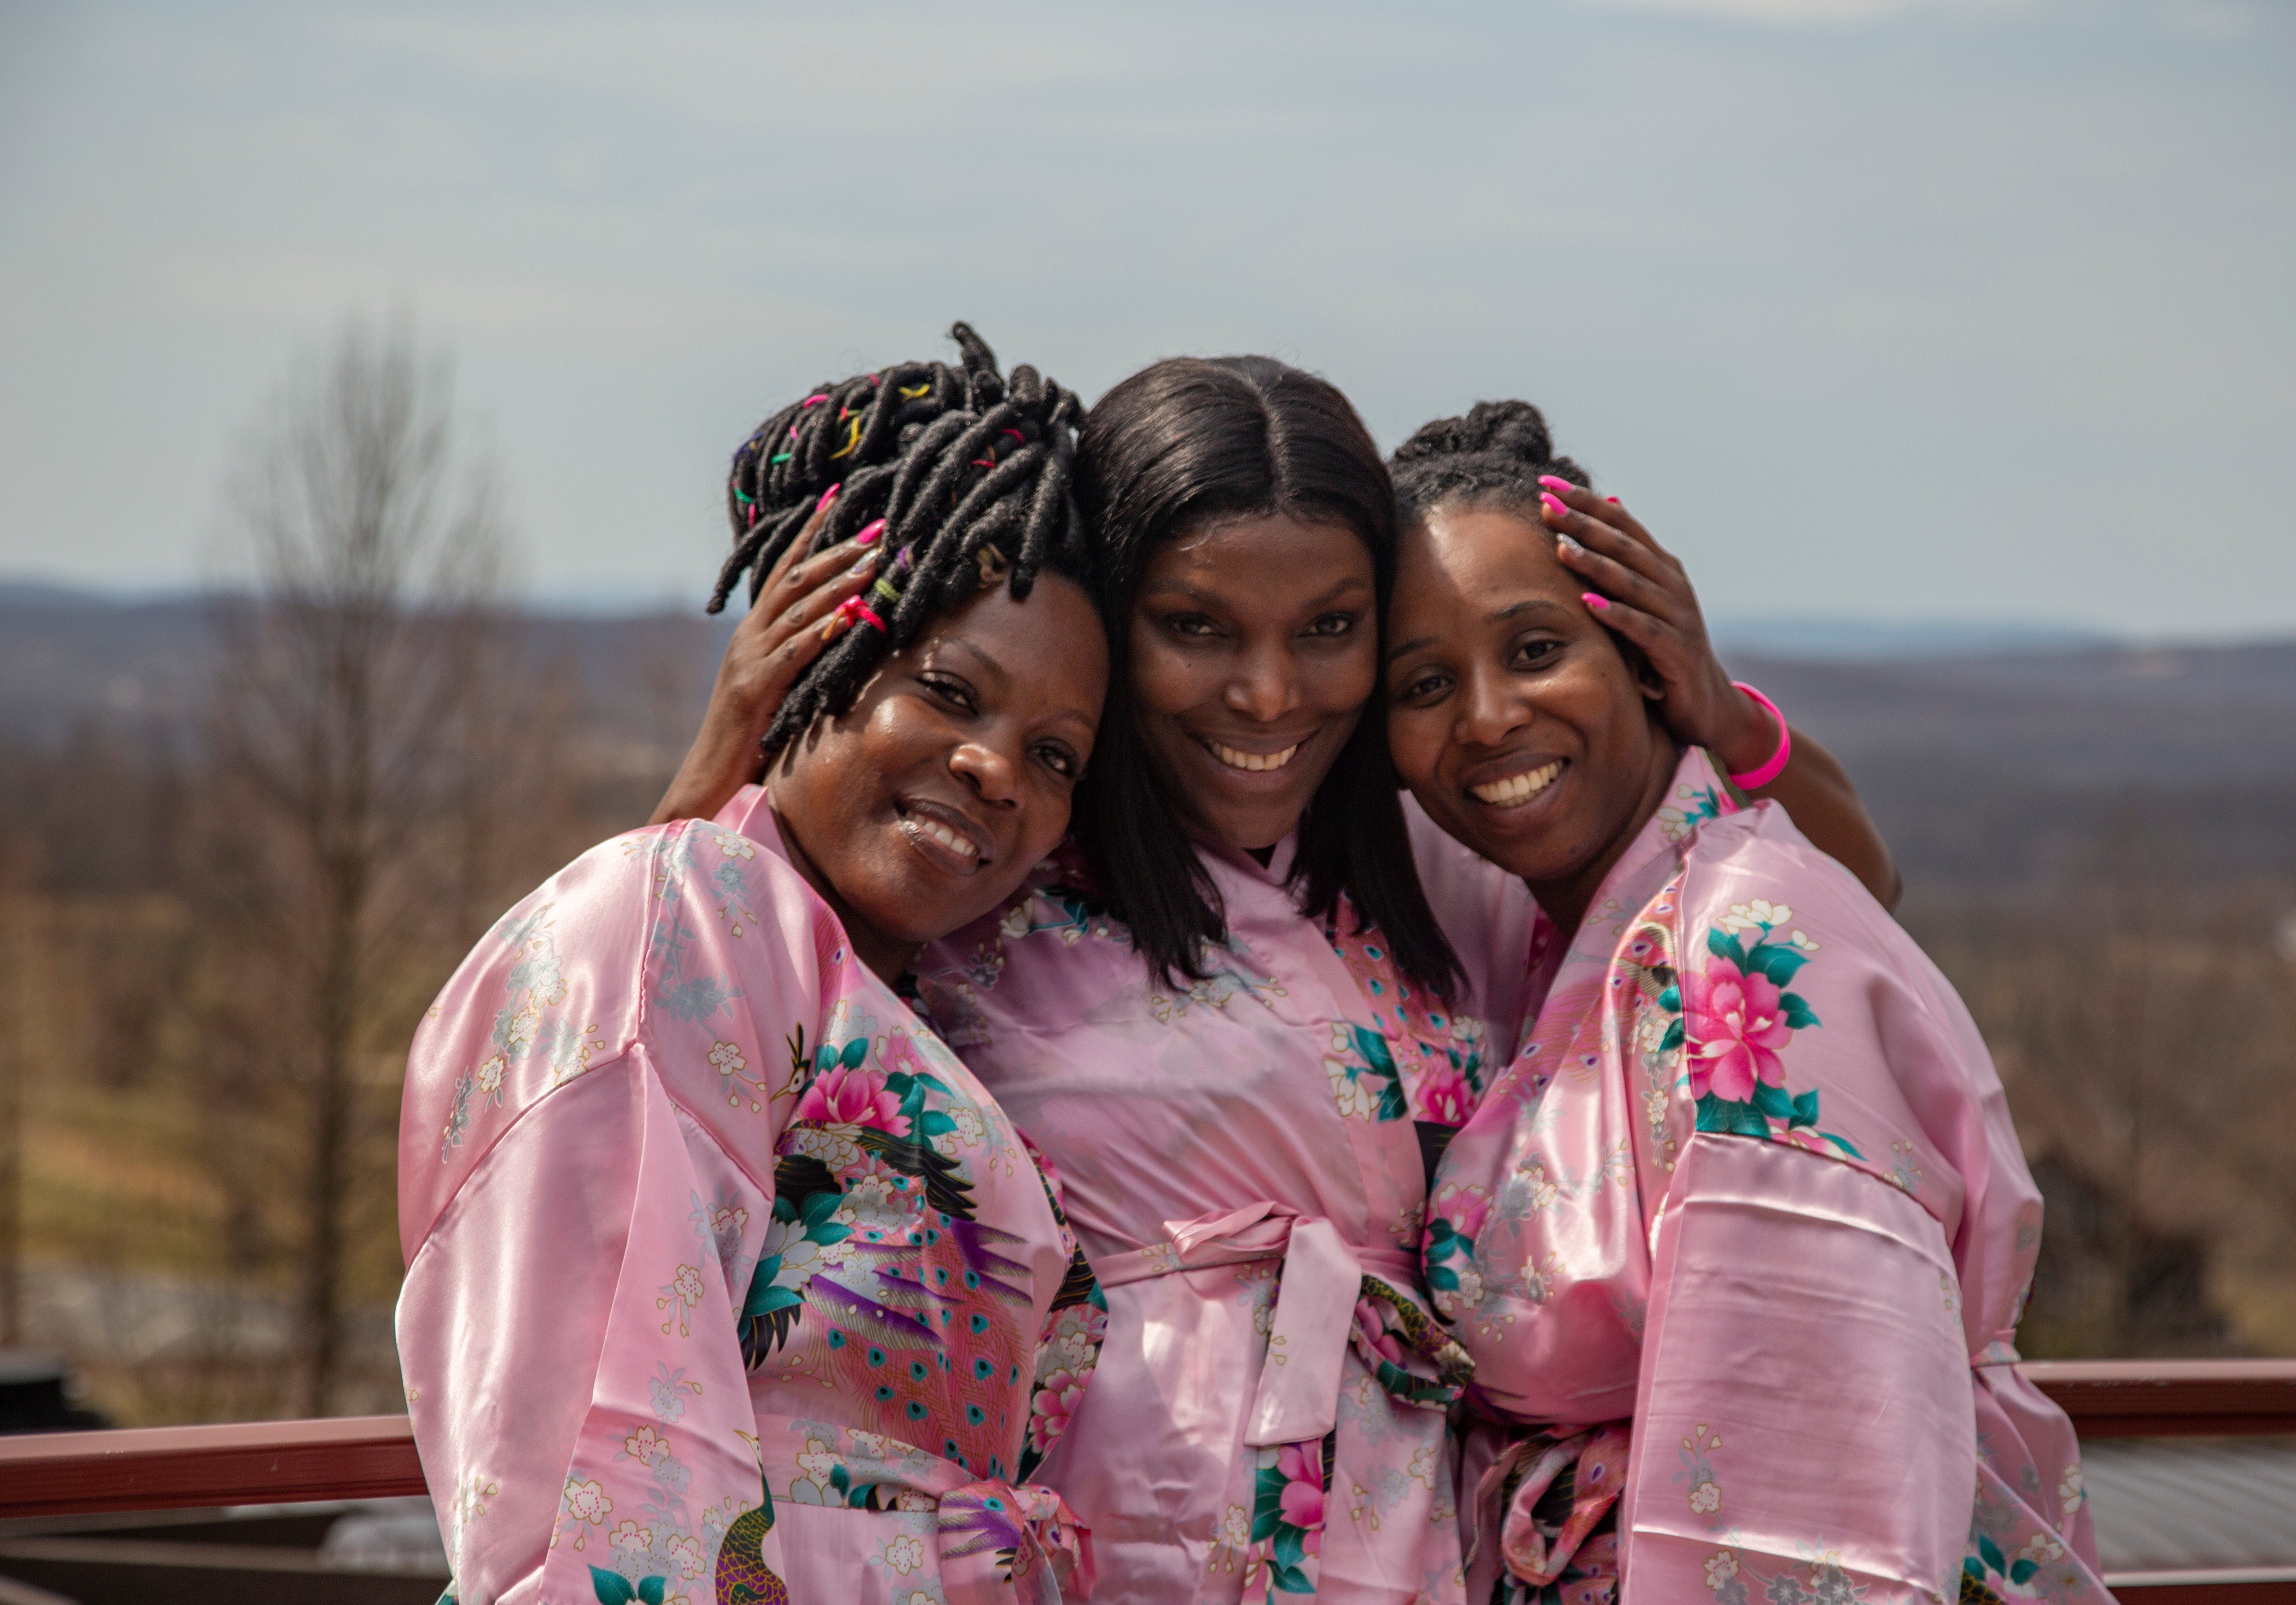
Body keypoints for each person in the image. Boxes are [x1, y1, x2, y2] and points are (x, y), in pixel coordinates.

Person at [656, 355, 1902, 1603]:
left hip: (1422, 1556)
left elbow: (1822, 907)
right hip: (1112, 1552)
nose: (1266, 692)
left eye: (1328, 630)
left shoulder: (1434, 876)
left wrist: (1718, 716)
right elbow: (679, 992)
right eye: (1196, 627)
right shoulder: (1002, 863)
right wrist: (730, 746)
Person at [397, 327, 1114, 1605]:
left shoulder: (907, 998)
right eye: (950, 691)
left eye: (1056, 755)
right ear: (805, 655)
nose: (1000, 769)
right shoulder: (679, 924)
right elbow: (599, 1461)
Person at [1387, 402, 2110, 1605]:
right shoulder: (1534, 921)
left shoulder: (1739, 961)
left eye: (1533, 651)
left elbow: (1801, 1508)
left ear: (1641, 654)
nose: (1487, 716)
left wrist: (1725, 708)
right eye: (1422, 682)